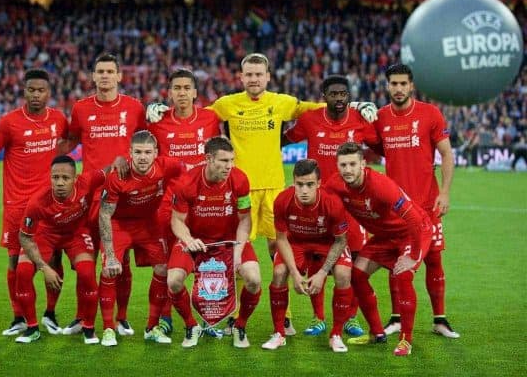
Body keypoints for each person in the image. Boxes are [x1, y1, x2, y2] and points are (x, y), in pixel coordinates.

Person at [147, 54, 378, 334]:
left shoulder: (282, 102)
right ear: (241, 77)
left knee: (278, 251)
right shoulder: (227, 104)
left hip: (273, 190)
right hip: (239, 191)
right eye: (249, 74)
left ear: (268, 77)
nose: (254, 79)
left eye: (259, 74)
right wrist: (158, 107)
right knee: (236, 249)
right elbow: (193, 113)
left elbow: (322, 106)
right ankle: (230, 314)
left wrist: (355, 103)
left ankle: (287, 317)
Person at [284, 74, 382, 337]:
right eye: (333, 94)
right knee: (318, 260)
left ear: (349, 96)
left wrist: (374, 113)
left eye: (343, 93)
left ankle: (350, 317)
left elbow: (382, 146)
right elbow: (282, 139)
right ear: (324, 96)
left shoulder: (360, 119)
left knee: (358, 261)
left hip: (354, 205)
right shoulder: (309, 120)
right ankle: (319, 318)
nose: (339, 98)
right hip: (319, 205)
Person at [59, 53, 146, 336]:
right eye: (100, 71)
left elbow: (147, 145)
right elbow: (69, 142)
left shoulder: (134, 108)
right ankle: (81, 315)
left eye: (110, 71)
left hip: (124, 196)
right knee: (88, 258)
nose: (105, 76)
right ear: (93, 76)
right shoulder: (81, 109)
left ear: (120, 76)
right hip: (89, 195)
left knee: (121, 260)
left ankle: (121, 318)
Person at [0, 68, 68, 336]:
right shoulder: (9, 122)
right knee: (15, 264)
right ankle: (18, 317)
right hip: (17, 206)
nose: (36, 95)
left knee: (54, 258)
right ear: (24, 91)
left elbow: (72, 139)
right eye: (31, 90)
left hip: (51, 205)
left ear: (49, 92)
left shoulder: (58, 119)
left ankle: (50, 314)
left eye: (41, 90)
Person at [374, 64, 459, 339]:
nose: (398, 88)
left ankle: (440, 319)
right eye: (393, 84)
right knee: (396, 262)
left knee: (434, 259)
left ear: (411, 86)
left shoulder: (430, 114)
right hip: (396, 208)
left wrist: (444, 193)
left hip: (427, 204)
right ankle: (397, 318)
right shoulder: (381, 117)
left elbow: (446, 154)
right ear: (387, 86)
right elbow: (372, 148)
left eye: (403, 83)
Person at [325, 142, 433, 356]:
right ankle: (377, 333)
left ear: (363, 164)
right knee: (356, 274)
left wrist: (412, 256)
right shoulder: (334, 184)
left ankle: (406, 340)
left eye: (352, 164)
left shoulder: (381, 186)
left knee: (403, 275)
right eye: (343, 165)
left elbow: (413, 219)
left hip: (412, 232)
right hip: (384, 237)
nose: (347, 170)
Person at [146, 68, 221, 336]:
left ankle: (208, 319)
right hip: (168, 204)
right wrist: (148, 109)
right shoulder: (157, 121)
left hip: (203, 205)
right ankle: (162, 318)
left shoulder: (211, 118)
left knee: (207, 265)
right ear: (169, 93)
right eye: (176, 88)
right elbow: (138, 142)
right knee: (165, 265)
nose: (181, 93)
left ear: (195, 92)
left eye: (186, 88)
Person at [167, 136, 262, 349]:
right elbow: (177, 221)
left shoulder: (240, 180)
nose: (230, 166)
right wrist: (189, 240)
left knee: (254, 279)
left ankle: (240, 326)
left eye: (232, 160)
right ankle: (191, 326)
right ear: (208, 159)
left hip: (230, 240)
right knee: (173, 281)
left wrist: (237, 252)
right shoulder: (187, 183)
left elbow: (245, 220)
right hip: (196, 241)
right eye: (224, 161)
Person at [98, 130, 184, 347]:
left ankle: (151, 327)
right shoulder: (117, 176)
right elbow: (105, 213)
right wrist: (109, 254)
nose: (143, 157)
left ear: (156, 153)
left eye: (147, 152)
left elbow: (188, 177)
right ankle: (108, 328)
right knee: (109, 269)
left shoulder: (167, 166)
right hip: (120, 225)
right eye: (138, 152)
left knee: (163, 269)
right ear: (130, 153)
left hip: (149, 224)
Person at [262, 159, 352, 353]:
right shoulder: (282, 200)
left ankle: (336, 334)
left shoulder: (332, 203)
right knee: (279, 273)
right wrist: (295, 273)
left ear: (318, 184)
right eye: (299, 184)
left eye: (310, 184)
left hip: (328, 242)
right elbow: (281, 239)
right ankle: (279, 333)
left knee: (344, 274)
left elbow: (341, 241)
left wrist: (322, 273)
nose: (304, 190)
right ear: (293, 181)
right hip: (297, 242)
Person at [14, 155, 103, 344]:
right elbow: (24, 236)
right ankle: (32, 328)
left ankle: (88, 328)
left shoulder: (88, 181)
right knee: (22, 272)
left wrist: (122, 163)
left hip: (76, 233)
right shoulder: (38, 201)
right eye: (55, 177)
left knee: (87, 273)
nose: (60, 183)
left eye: (65, 178)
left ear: (75, 178)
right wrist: (44, 267)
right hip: (46, 234)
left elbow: (111, 170)